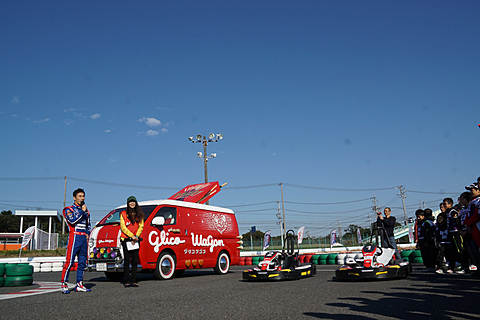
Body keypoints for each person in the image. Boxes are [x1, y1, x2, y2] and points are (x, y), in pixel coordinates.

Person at [61, 188, 91, 294]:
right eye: (80, 196)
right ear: (74, 198)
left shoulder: (86, 210)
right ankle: (64, 284)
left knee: (83, 262)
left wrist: (88, 234)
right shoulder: (68, 209)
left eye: (83, 196)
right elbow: (72, 220)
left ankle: (79, 284)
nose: (82, 198)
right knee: (69, 261)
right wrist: (82, 211)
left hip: (83, 238)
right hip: (74, 237)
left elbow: (88, 225)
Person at [120, 196, 145, 287]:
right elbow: (123, 227)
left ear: (136, 203)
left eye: (133, 201)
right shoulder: (123, 214)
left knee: (134, 261)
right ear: (128, 203)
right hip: (126, 240)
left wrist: (136, 236)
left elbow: (141, 226)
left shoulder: (139, 214)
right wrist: (132, 236)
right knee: (127, 260)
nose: (132, 203)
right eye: (130, 202)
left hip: (136, 240)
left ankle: (134, 280)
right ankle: (126, 280)